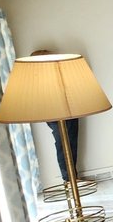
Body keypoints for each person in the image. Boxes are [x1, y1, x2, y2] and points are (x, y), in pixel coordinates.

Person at [31, 49, 83, 183]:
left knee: (71, 141)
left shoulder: (56, 74)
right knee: (63, 143)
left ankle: (72, 176)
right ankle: (69, 178)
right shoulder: (37, 80)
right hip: (55, 112)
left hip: (69, 109)